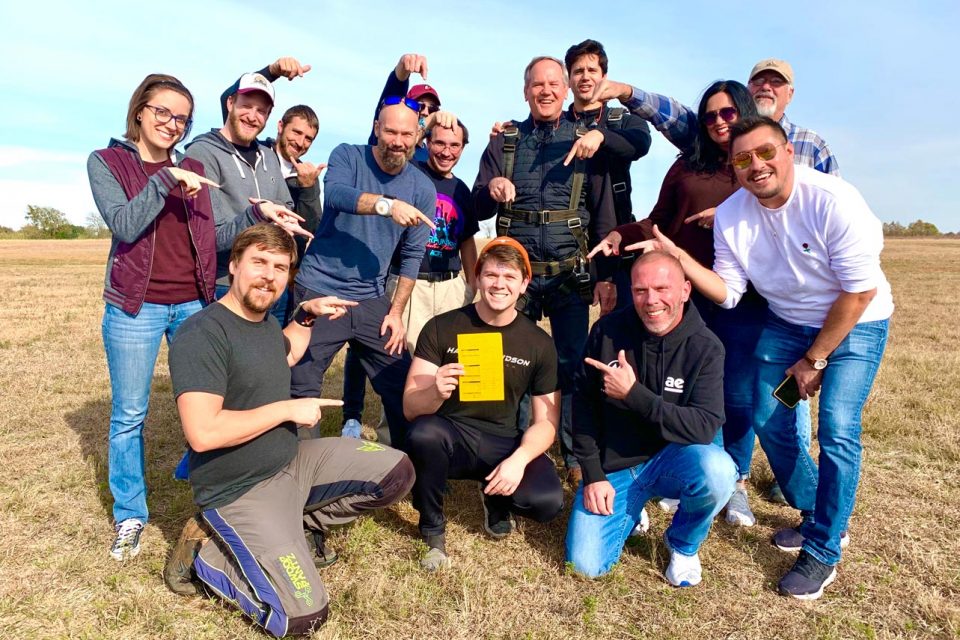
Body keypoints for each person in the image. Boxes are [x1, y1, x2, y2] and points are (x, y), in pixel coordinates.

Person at [634, 116, 892, 599]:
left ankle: (822, 551)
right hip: (788, 323)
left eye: (766, 153)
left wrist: (814, 360)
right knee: (769, 417)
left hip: (855, 321)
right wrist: (680, 259)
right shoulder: (733, 215)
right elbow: (729, 293)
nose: (756, 166)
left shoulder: (833, 200)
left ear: (788, 151)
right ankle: (819, 513)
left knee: (836, 428)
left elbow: (859, 292)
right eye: (743, 159)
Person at [164, 224, 414, 636]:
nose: (269, 275)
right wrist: (286, 409)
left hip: (291, 461)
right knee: (302, 616)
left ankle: (294, 529)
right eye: (259, 262)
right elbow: (203, 433)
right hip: (238, 487)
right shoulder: (203, 334)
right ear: (234, 265)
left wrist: (305, 316)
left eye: (280, 267)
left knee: (396, 471)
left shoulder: (261, 322)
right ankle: (205, 559)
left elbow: (289, 353)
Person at [588, 80, 764, 528]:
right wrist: (621, 235)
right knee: (675, 382)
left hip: (734, 296)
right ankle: (670, 467)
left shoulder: (753, 168)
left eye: (728, 114)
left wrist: (724, 215)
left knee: (735, 395)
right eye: (710, 116)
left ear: (744, 113)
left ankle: (734, 482)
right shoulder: (687, 166)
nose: (720, 123)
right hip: (678, 291)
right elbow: (659, 220)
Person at [87, 73, 224, 561]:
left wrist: (258, 215)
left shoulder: (194, 167)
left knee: (209, 406)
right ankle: (130, 515)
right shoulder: (107, 162)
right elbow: (124, 224)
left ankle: (217, 503)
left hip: (193, 303)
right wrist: (165, 178)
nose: (171, 123)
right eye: (163, 112)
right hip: (135, 306)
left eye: (182, 117)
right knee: (129, 414)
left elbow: (211, 235)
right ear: (140, 110)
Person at [472, 56, 619, 485]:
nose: (547, 91)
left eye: (554, 83)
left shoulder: (588, 141)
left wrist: (606, 275)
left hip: (570, 274)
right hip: (515, 280)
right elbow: (478, 202)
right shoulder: (505, 141)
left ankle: (574, 452)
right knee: (508, 363)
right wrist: (492, 189)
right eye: (538, 84)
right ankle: (513, 447)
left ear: (566, 89)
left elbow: (602, 211)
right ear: (525, 91)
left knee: (572, 364)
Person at [566, 250, 735, 587]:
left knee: (718, 471)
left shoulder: (706, 347)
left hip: (674, 458)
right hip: (615, 465)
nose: (651, 300)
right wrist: (593, 474)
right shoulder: (607, 332)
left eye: (662, 289)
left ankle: (683, 544)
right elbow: (581, 407)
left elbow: (704, 426)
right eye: (641, 290)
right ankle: (631, 508)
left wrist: (634, 395)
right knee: (586, 566)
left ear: (685, 291)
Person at [402, 237, 563, 570]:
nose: (499, 284)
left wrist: (519, 460)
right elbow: (410, 407)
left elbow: (546, 422)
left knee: (546, 503)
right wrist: (436, 392)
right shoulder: (441, 328)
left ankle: (495, 495)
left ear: (524, 284)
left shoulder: (539, 343)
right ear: (476, 278)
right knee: (423, 434)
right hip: (452, 435)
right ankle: (432, 529)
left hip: (504, 442)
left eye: (509, 277)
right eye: (491, 275)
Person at [290, 98, 434, 447]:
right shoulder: (348, 156)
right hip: (318, 289)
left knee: (403, 383)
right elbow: (336, 194)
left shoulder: (421, 188)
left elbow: (413, 255)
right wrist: (387, 205)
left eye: (405, 133)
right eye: (390, 131)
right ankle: (300, 467)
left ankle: (407, 465)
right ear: (376, 129)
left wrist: (396, 312)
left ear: (417, 136)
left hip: (372, 298)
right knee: (300, 384)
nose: (397, 141)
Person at [185, 59, 313, 323]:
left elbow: (285, 208)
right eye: (246, 106)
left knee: (272, 361)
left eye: (262, 111)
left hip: (272, 285)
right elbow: (210, 237)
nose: (253, 116)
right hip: (226, 285)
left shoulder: (268, 156)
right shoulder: (202, 154)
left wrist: (287, 222)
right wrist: (258, 213)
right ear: (230, 103)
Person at [563, 39, 652, 313]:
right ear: (568, 80)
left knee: (618, 336)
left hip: (615, 244)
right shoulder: (557, 125)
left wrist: (602, 135)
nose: (585, 77)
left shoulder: (622, 120)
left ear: (604, 77)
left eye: (592, 70)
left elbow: (641, 143)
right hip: (567, 248)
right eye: (578, 71)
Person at [268, 104, 325, 320]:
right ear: (281, 126)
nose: (301, 142)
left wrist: (308, 188)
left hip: (285, 275)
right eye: (297, 132)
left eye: (309, 138)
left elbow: (311, 229)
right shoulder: (258, 155)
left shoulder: (308, 176)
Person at [747, 58, 839, 176]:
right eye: (758, 81)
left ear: (790, 94)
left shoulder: (812, 144)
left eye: (776, 81)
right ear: (746, 90)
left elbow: (836, 192)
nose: (765, 87)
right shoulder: (732, 142)